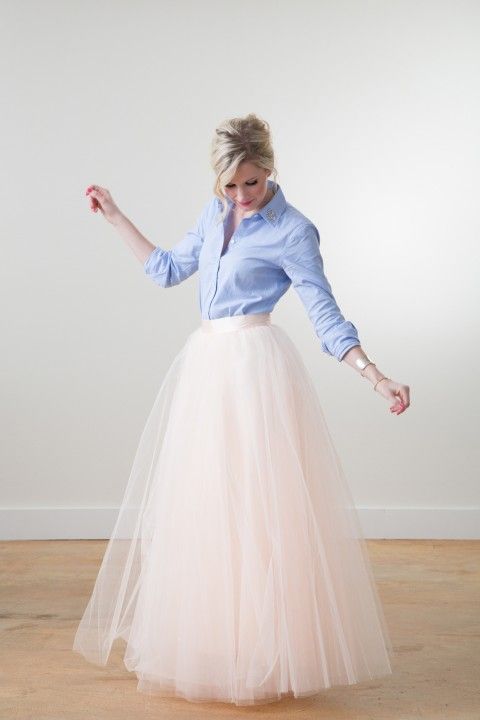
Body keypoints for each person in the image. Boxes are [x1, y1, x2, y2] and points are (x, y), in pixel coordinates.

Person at [73, 113, 410, 707]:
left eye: (250, 182)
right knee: (206, 507)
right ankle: (216, 643)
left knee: (259, 510)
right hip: (207, 368)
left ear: (270, 168)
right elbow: (167, 271)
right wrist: (116, 216)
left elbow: (325, 314)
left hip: (256, 370)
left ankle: (268, 650)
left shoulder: (294, 231)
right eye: (229, 184)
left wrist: (375, 376)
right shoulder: (214, 214)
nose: (240, 195)